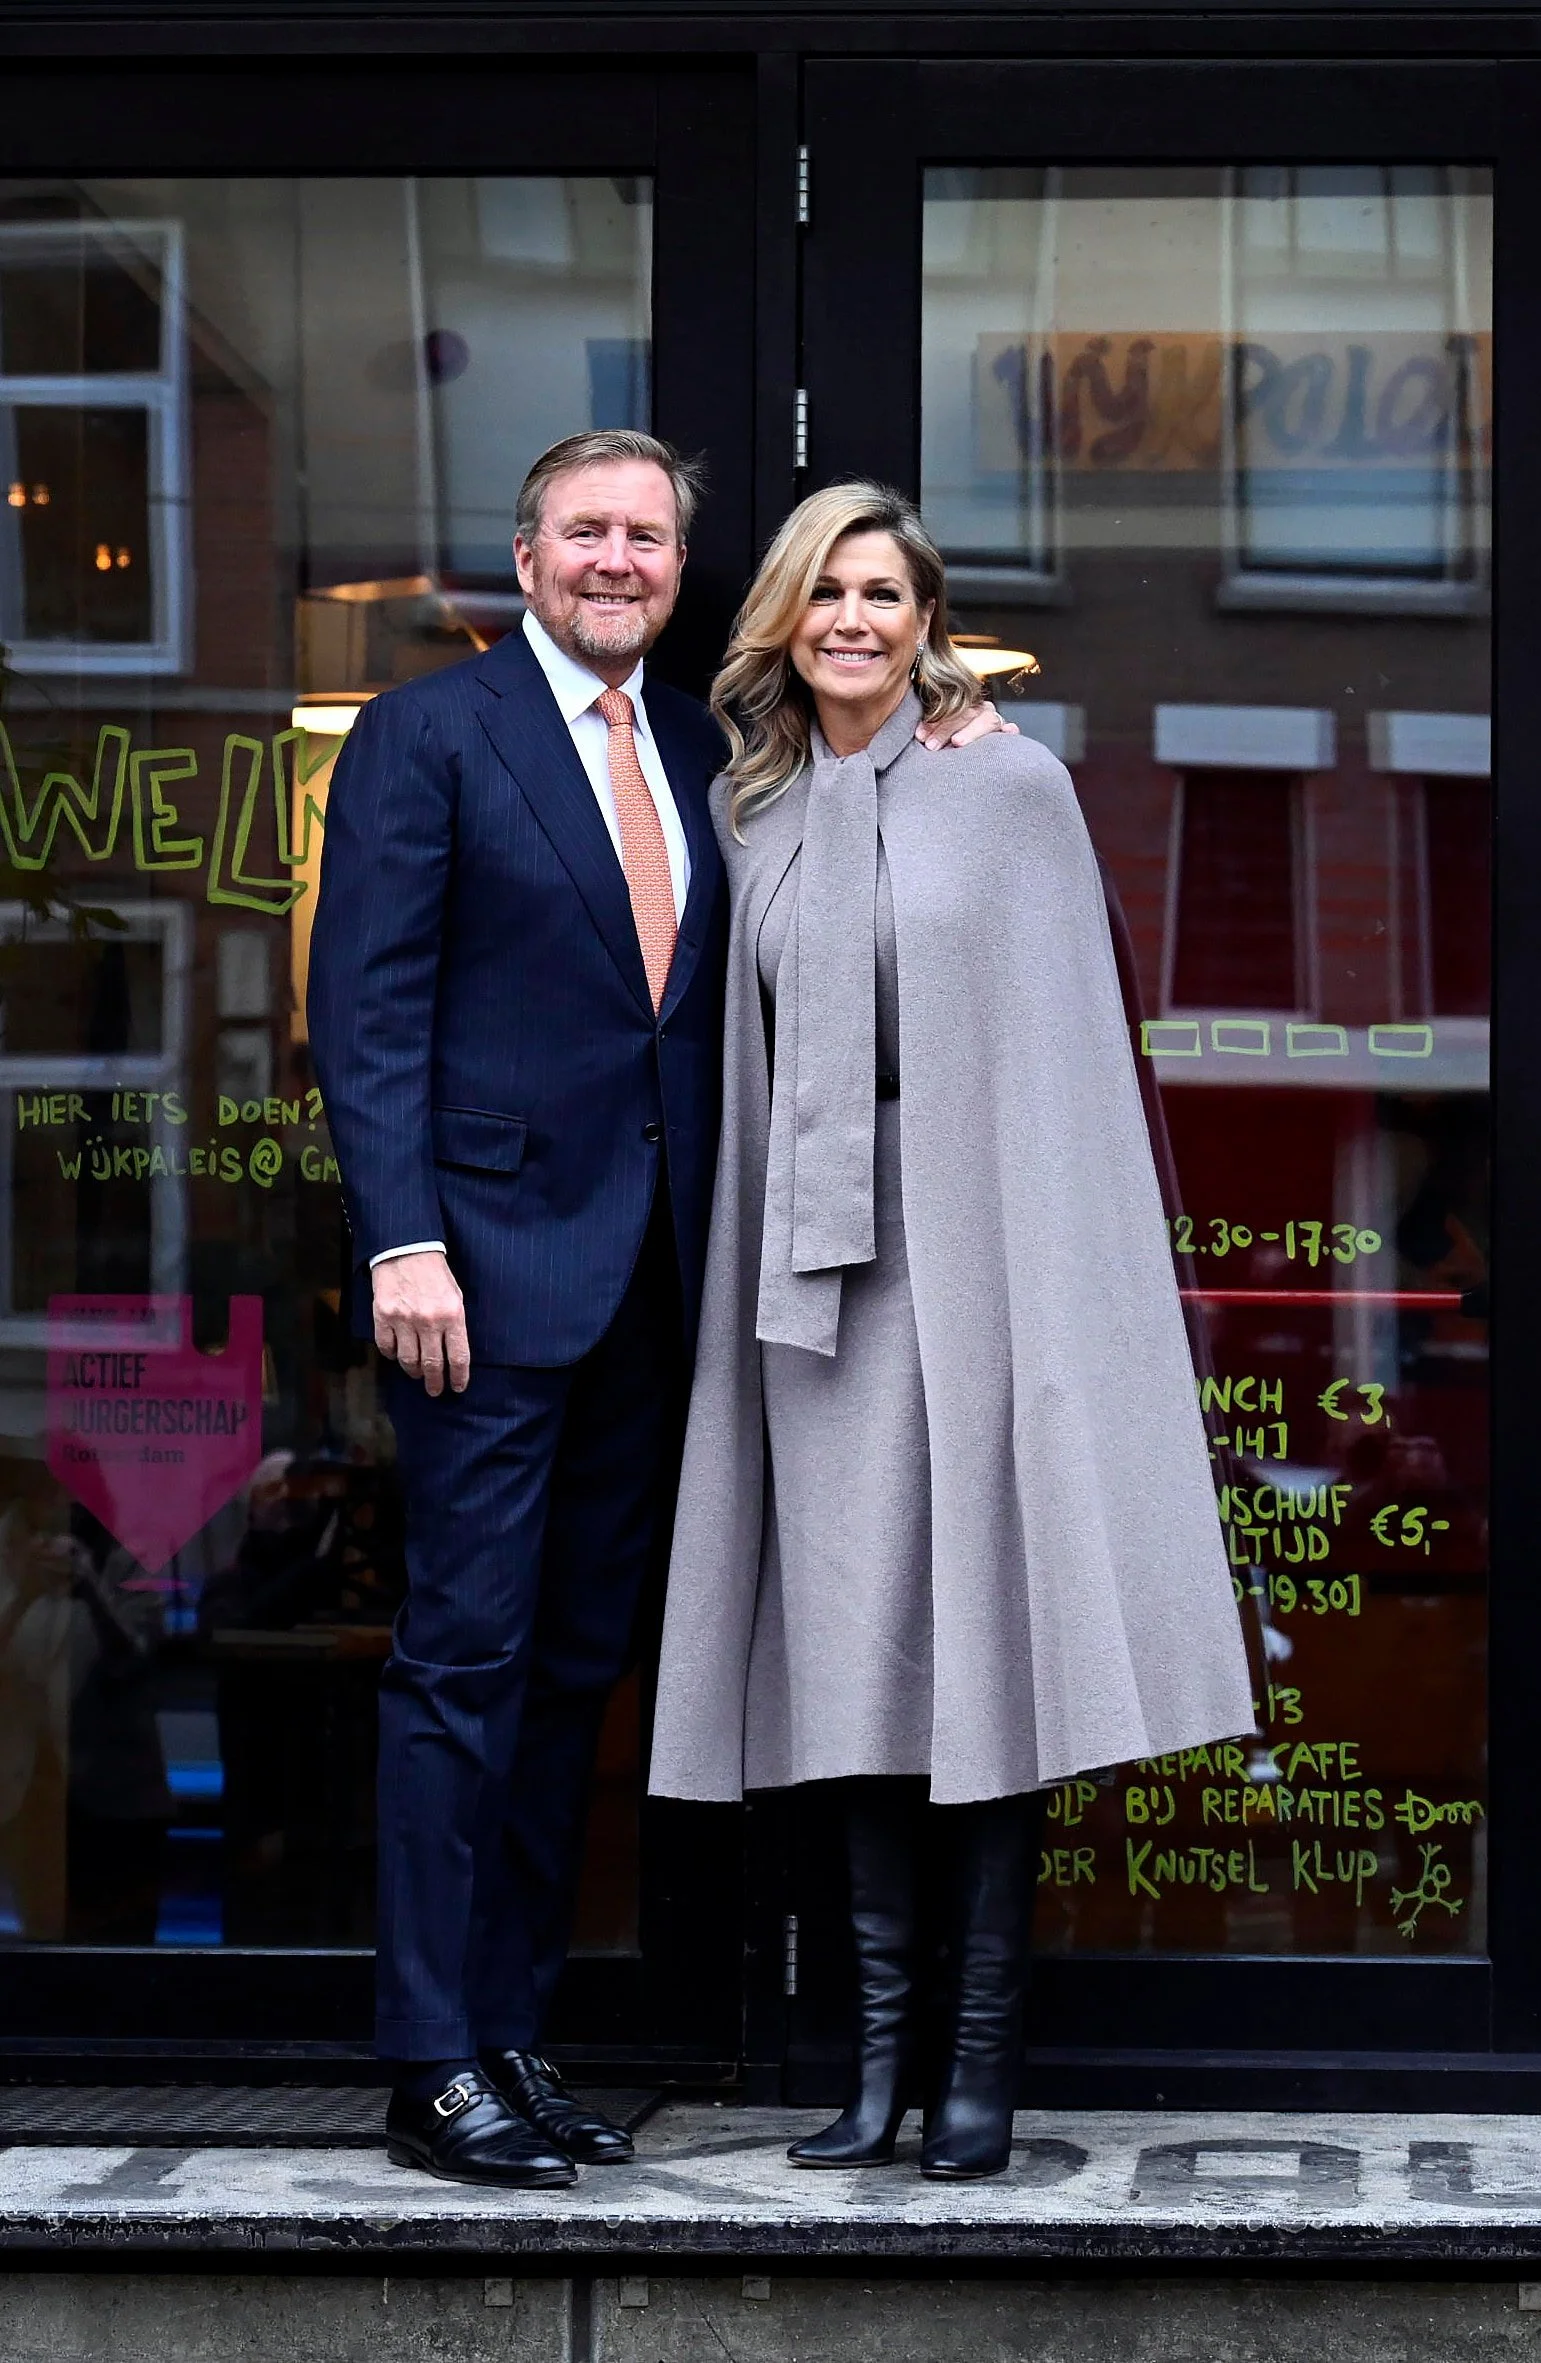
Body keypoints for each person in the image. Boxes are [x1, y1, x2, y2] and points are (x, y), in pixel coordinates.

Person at [307, 433, 1004, 2192]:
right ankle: (429, 2062)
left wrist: (954, 732)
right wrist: (402, 1245)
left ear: (683, 570)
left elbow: (852, 862)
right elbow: (367, 1013)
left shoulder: (715, 749)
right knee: (460, 1667)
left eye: (649, 538)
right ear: (525, 552)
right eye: (587, 532)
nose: (618, 560)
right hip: (478, 1286)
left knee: (569, 1679)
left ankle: (513, 2033)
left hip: (667, 1293)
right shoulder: (425, 735)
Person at [648, 482, 1255, 2181]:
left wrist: (1069, 1289)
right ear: (785, 616)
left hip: (985, 1250)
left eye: (884, 594)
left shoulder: (1012, 790)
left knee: (989, 1648)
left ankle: (980, 2071)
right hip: (815, 1280)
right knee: (847, 1660)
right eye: (825, 592)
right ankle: (874, 2073)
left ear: (929, 621)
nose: (853, 619)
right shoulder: (751, 810)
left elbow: (1068, 1058)